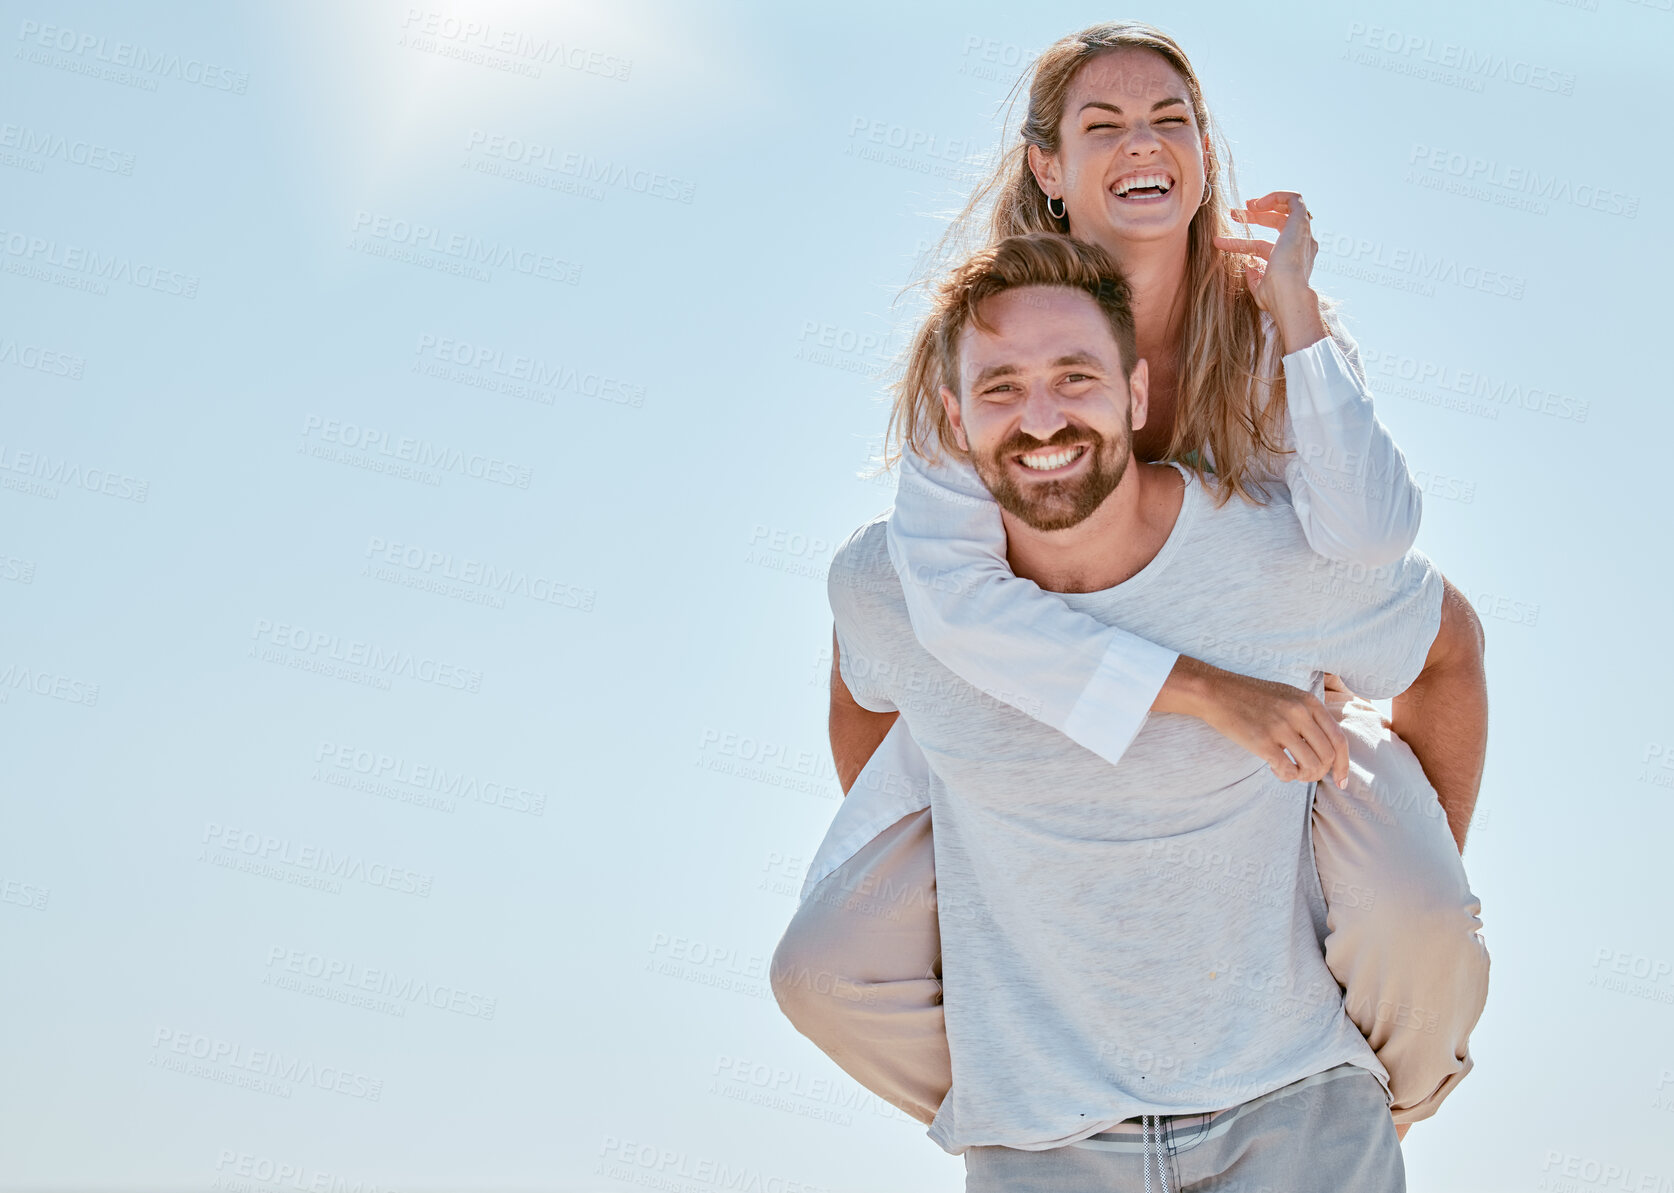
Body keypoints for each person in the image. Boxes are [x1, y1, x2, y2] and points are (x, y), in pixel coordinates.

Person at [772, 20, 1489, 1141]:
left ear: (1203, 151)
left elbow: (1371, 538)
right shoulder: (981, 352)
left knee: (1421, 909)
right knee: (820, 965)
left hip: (1277, 669)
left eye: (1171, 120)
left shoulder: (1266, 328)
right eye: (1101, 125)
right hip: (1018, 672)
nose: (1142, 143)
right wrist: (1006, 809)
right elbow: (948, 605)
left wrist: (1294, 305)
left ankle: (1359, 1102)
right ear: (1047, 170)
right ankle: (1060, 1103)